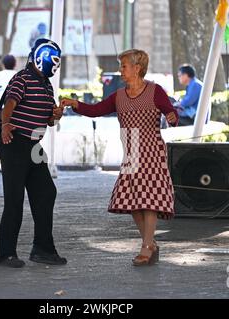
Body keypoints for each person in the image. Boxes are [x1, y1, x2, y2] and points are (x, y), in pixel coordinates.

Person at [61, 49, 179, 267]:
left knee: (149, 200)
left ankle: (145, 247)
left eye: (124, 66)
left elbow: (170, 112)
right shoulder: (119, 96)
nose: (120, 70)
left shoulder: (155, 91)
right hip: (131, 149)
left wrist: (172, 117)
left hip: (152, 148)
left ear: (137, 68)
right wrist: (75, 104)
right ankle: (150, 243)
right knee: (133, 200)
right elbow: (96, 110)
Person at [0, 38, 66, 268]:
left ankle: (43, 249)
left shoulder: (46, 84)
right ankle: (6, 254)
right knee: (14, 200)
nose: (56, 65)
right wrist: (6, 125)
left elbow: (47, 120)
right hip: (15, 143)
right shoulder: (22, 78)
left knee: (46, 192)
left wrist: (54, 115)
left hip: (35, 146)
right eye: (54, 60)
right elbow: (10, 104)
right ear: (42, 56)